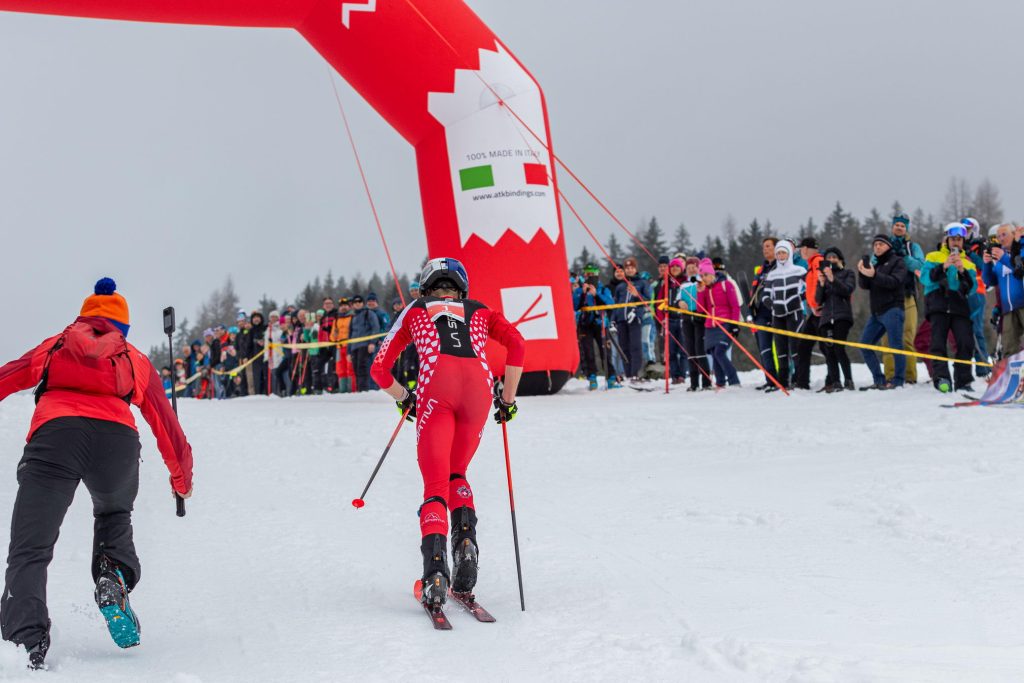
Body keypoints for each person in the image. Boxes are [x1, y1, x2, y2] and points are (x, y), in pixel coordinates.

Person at [0, 279, 194, 669]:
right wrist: (181, 480)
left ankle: (25, 641)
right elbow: (165, 422)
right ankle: (112, 576)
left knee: (30, 546)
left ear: (84, 317)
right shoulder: (133, 358)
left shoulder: (57, 344)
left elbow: (10, 375)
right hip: (116, 444)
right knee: (113, 513)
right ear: (122, 327)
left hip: (55, 438)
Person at [370, 257, 525, 608]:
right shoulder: (480, 310)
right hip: (479, 390)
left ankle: (435, 574)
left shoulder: (415, 310)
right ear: (462, 286)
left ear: (425, 285)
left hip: (436, 388)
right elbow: (517, 345)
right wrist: (508, 400)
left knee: (435, 484)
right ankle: (466, 544)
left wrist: (404, 396)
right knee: (458, 473)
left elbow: (378, 369)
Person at [922, 223, 979, 392]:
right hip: (938, 306)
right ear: (946, 240)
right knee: (938, 343)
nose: (956, 242)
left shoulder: (968, 262)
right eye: (953, 239)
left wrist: (962, 271)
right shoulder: (933, 256)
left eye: (959, 239)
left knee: (965, 342)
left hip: (959, 307)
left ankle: (963, 380)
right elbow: (925, 278)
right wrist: (944, 266)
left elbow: (973, 288)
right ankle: (941, 378)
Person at [857, 234, 908, 390]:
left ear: (889, 246)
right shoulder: (875, 264)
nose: (877, 247)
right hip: (876, 313)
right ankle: (879, 379)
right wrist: (862, 272)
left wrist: (874, 275)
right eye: (875, 244)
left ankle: (898, 380)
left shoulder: (898, 261)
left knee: (895, 346)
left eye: (881, 244)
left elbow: (895, 282)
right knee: (865, 345)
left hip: (893, 309)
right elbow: (865, 286)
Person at [880, 213, 925, 384]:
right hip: (886, 298)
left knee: (907, 338)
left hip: (907, 296)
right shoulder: (884, 244)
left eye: (902, 226)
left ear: (906, 229)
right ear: (892, 227)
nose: (899, 228)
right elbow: (874, 262)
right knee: (887, 339)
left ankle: (910, 375)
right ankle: (890, 376)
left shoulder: (912, 247)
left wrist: (905, 258)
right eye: (896, 225)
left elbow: (922, 265)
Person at [762, 240, 806, 392]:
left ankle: (800, 380)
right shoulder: (772, 274)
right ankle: (783, 382)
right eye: (778, 253)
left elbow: (810, 289)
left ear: (789, 253)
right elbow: (765, 295)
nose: (781, 256)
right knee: (781, 350)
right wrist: (772, 304)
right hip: (778, 315)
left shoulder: (799, 270)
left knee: (796, 348)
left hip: (795, 313)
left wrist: (800, 298)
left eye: (784, 253)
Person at [696, 258, 742, 388]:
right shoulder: (705, 289)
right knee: (713, 352)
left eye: (705, 275)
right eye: (701, 276)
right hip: (710, 325)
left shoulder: (726, 285)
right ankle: (720, 382)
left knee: (719, 352)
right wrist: (700, 293)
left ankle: (734, 380)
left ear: (712, 274)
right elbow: (701, 310)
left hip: (725, 323)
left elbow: (735, 306)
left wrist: (734, 324)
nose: (703, 278)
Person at [815, 247, 856, 391]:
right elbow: (818, 300)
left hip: (842, 315)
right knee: (829, 350)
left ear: (840, 260)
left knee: (839, 348)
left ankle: (848, 380)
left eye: (834, 257)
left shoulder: (847, 273)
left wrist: (833, 279)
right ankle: (835, 381)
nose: (831, 260)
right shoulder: (822, 277)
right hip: (826, 318)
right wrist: (821, 284)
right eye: (828, 258)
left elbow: (847, 290)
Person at [982, 223, 1024, 357]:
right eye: (998, 236)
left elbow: (1020, 269)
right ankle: (1012, 376)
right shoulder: (1000, 258)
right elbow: (990, 281)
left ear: (1014, 234)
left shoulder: (1020, 251)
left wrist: (1004, 258)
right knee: (1009, 347)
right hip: (1008, 310)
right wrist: (987, 264)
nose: (1001, 238)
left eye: (1004, 234)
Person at [573, 263, 615, 390]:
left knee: (605, 351)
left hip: (600, 323)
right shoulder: (580, 290)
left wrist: (596, 294)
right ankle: (592, 377)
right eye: (587, 274)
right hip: (585, 324)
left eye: (592, 274)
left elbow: (610, 304)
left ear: (597, 274)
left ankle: (611, 377)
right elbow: (575, 305)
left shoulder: (603, 289)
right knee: (588, 352)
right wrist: (584, 294)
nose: (590, 277)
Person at [612, 257, 652, 381]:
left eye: (632, 268)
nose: (629, 270)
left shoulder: (642, 283)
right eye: (627, 268)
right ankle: (628, 374)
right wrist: (613, 319)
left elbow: (648, 301)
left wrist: (636, 295)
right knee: (624, 348)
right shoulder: (620, 286)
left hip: (634, 319)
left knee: (635, 346)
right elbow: (616, 304)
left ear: (636, 269)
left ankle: (636, 373)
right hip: (621, 320)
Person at [748, 238, 779, 389]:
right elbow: (754, 292)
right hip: (761, 313)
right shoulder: (761, 269)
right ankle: (770, 380)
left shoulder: (781, 266)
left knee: (782, 349)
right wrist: (751, 312)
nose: (764, 249)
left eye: (768, 246)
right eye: (763, 247)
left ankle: (786, 379)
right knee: (764, 349)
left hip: (777, 312)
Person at [794, 237, 823, 390]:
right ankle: (802, 382)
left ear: (806, 249)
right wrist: (803, 297)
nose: (801, 252)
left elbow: (824, 284)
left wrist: (820, 304)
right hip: (813, 312)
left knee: (828, 348)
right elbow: (811, 288)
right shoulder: (811, 264)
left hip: (822, 312)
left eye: (801, 249)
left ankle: (834, 380)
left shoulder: (819, 262)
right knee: (803, 347)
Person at [679, 257, 711, 391]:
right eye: (689, 267)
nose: (691, 269)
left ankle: (706, 381)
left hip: (699, 318)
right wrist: (679, 303)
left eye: (694, 267)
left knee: (700, 349)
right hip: (686, 319)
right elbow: (676, 300)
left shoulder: (701, 281)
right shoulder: (683, 284)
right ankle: (693, 383)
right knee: (690, 350)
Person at [348, 295, 380, 392]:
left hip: (365, 345)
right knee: (356, 369)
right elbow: (350, 334)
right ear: (353, 305)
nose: (357, 304)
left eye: (359, 302)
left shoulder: (368, 313)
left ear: (363, 303)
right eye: (355, 302)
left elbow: (375, 328)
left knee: (363, 368)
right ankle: (359, 390)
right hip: (354, 346)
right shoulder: (353, 316)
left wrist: (372, 343)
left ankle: (364, 390)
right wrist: (348, 351)